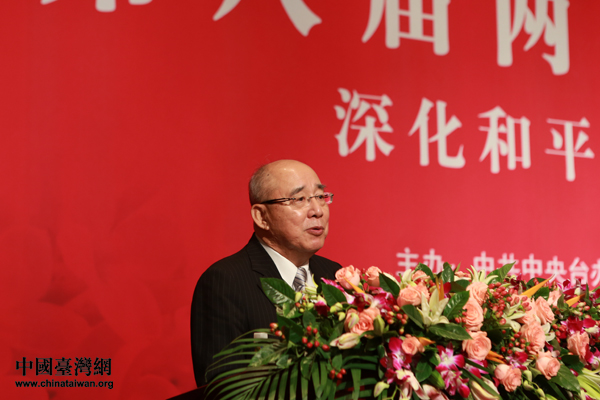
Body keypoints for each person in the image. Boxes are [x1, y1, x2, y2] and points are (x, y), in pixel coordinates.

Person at [190, 160, 341, 387]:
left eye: (320, 197)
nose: (317, 211)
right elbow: (223, 388)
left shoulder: (335, 275)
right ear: (261, 216)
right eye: (299, 199)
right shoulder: (225, 282)